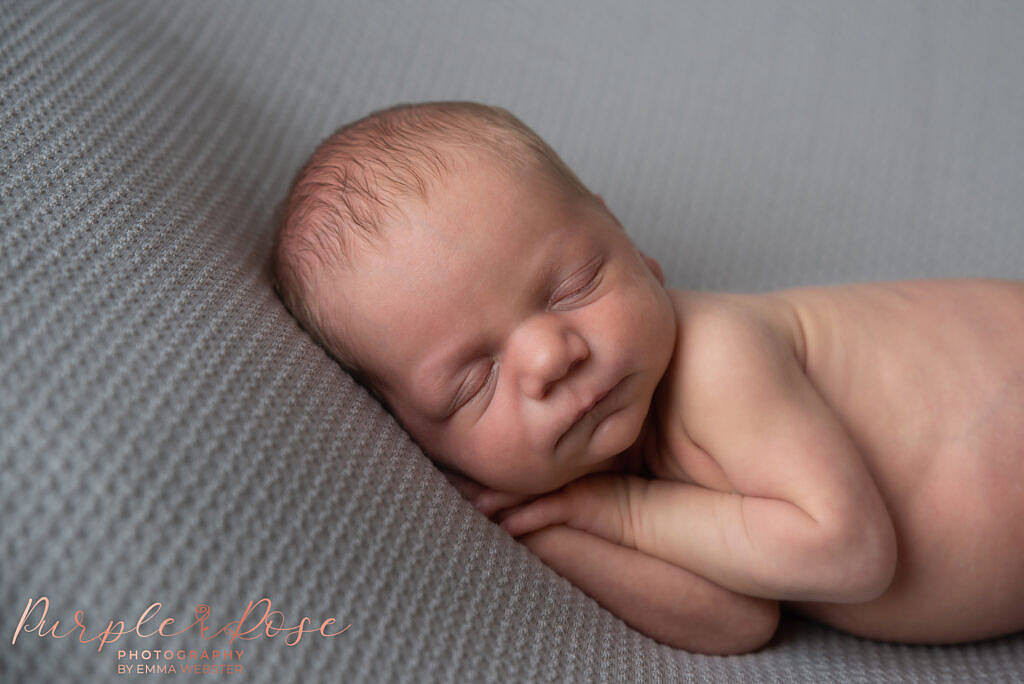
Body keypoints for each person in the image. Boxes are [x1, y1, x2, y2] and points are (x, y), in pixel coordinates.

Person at [271, 100, 1024, 654]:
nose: (549, 355)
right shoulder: (598, 483)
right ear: (422, 440)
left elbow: (849, 552)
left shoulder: (718, 357)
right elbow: (739, 623)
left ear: (630, 244)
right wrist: (561, 533)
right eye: (473, 382)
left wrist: (623, 515)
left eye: (573, 285)